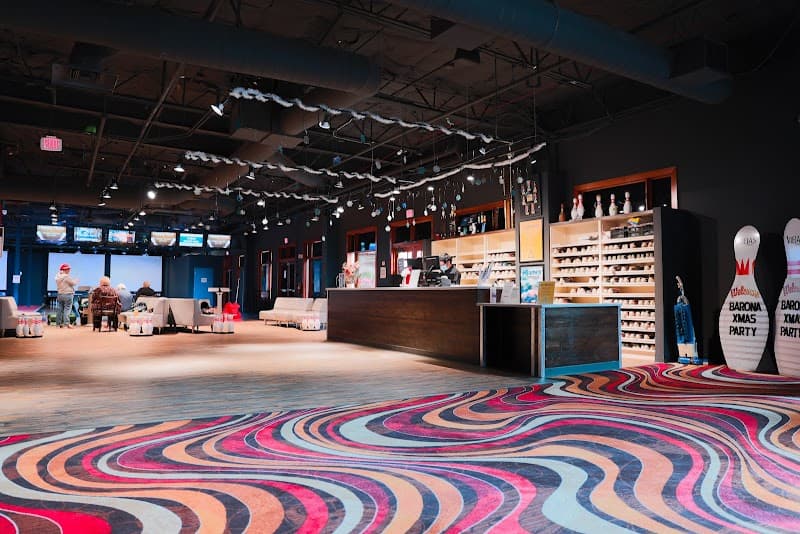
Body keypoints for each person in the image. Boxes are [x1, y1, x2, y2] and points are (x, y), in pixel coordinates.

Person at [55, 263, 78, 328]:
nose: (69, 270)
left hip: (60, 294)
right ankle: (66, 324)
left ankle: (58, 324)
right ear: (65, 270)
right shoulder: (66, 276)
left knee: (60, 309)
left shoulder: (57, 276)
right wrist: (76, 280)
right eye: (68, 269)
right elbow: (73, 283)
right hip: (68, 294)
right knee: (67, 309)